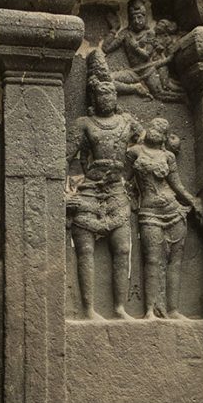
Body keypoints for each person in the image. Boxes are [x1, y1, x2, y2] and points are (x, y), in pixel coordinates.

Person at [66, 49, 143, 319]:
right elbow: (65, 159)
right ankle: (88, 309)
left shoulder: (128, 122)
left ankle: (120, 307)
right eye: (102, 94)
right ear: (93, 97)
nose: (107, 98)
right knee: (85, 249)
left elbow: (142, 153)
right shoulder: (84, 124)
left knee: (122, 248)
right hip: (89, 189)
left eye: (111, 93)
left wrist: (135, 184)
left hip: (116, 190)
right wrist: (67, 194)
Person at [128, 118, 201, 318]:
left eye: (161, 130)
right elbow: (123, 180)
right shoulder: (134, 152)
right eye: (153, 127)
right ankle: (150, 310)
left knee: (174, 262)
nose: (155, 131)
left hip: (173, 210)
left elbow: (177, 185)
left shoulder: (168, 156)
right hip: (149, 212)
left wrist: (194, 202)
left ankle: (174, 310)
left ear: (164, 137)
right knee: (152, 260)